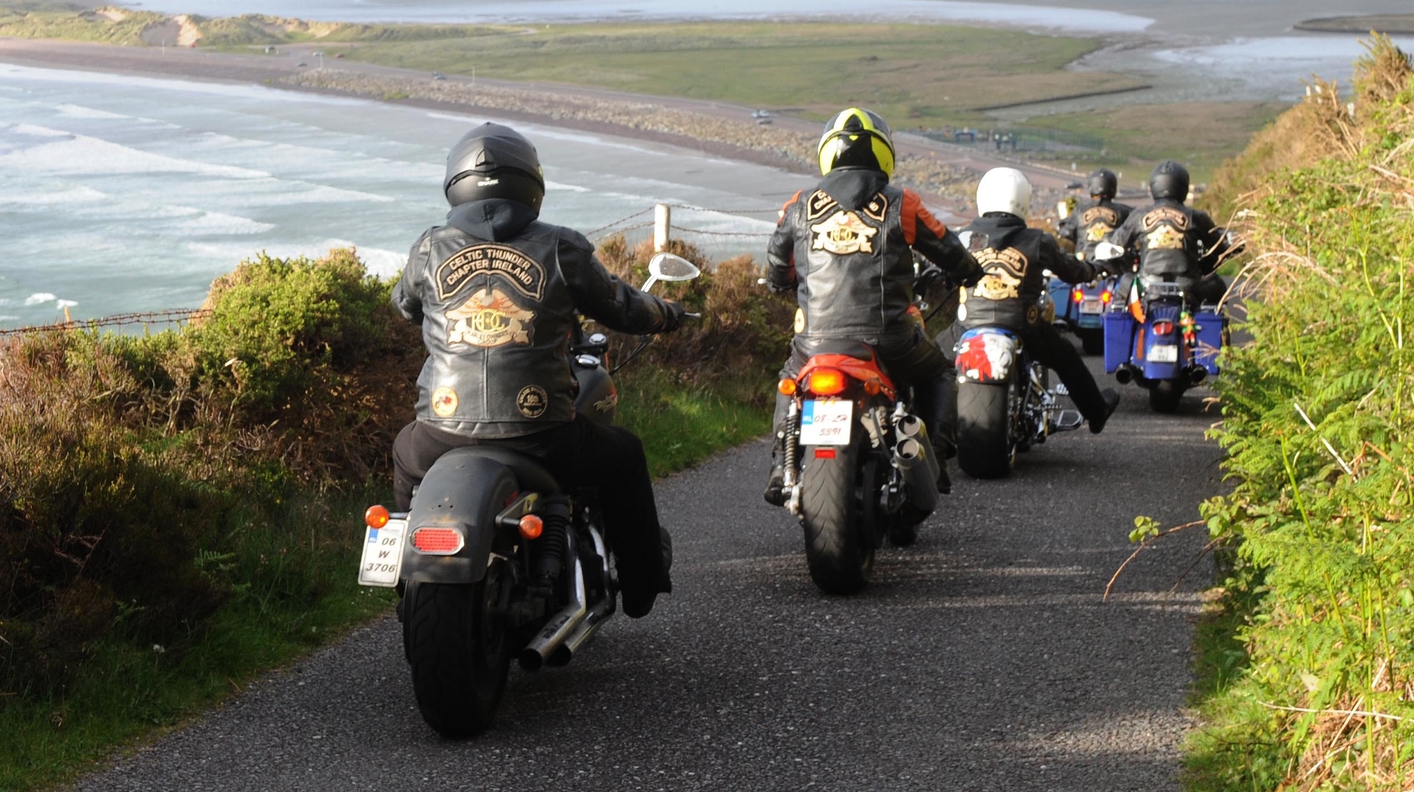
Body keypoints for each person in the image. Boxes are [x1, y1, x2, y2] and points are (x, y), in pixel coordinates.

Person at [390, 123, 689, 616]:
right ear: (531, 182)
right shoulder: (559, 246)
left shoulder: (428, 248)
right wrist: (667, 313)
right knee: (625, 455)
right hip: (541, 432)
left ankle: (408, 578)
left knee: (405, 453)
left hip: (441, 430)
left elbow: (404, 306)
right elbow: (621, 306)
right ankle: (640, 585)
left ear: (454, 182)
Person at [763, 108, 983, 500]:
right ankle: (936, 462)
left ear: (827, 154)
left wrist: (783, 283)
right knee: (940, 374)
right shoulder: (903, 203)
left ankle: (782, 467)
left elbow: (778, 265)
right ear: (883, 154)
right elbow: (948, 248)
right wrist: (969, 272)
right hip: (890, 339)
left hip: (817, 342)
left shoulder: (798, 204)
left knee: (790, 380)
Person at [956, 167, 1120, 432]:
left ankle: (935, 435)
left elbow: (941, 267)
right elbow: (1072, 271)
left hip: (968, 325)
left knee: (935, 368)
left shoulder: (963, 237)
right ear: (1023, 201)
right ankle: (1096, 412)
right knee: (1065, 356)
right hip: (1024, 327)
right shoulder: (1037, 240)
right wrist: (1093, 268)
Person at [1117, 160, 1232, 307]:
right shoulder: (1195, 216)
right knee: (1217, 285)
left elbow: (1117, 241)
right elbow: (1218, 243)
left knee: (1122, 292)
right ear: (1183, 187)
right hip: (1188, 287)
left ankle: (1121, 328)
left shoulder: (1139, 215)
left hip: (1147, 285)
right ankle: (1215, 329)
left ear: (1154, 186)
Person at [1056, 168, 1133, 261]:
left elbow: (1066, 230)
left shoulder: (1079, 210)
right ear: (1113, 187)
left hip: (1084, 263)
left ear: (1091, 186)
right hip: (1114, 262)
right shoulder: (1124, 211)